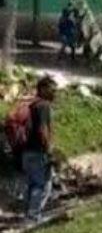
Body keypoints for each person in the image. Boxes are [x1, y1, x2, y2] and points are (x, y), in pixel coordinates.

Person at [20, 76, 57, 222]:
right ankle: (33, 216)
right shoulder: (44, 106)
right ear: (42, 89)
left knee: (33, 184)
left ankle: (28, 214)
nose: (55, 93)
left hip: (27, 152)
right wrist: (48, 149)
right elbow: (42, 129)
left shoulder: (33, 105)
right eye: (52, 89)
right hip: (38, 151)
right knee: (40, 185)